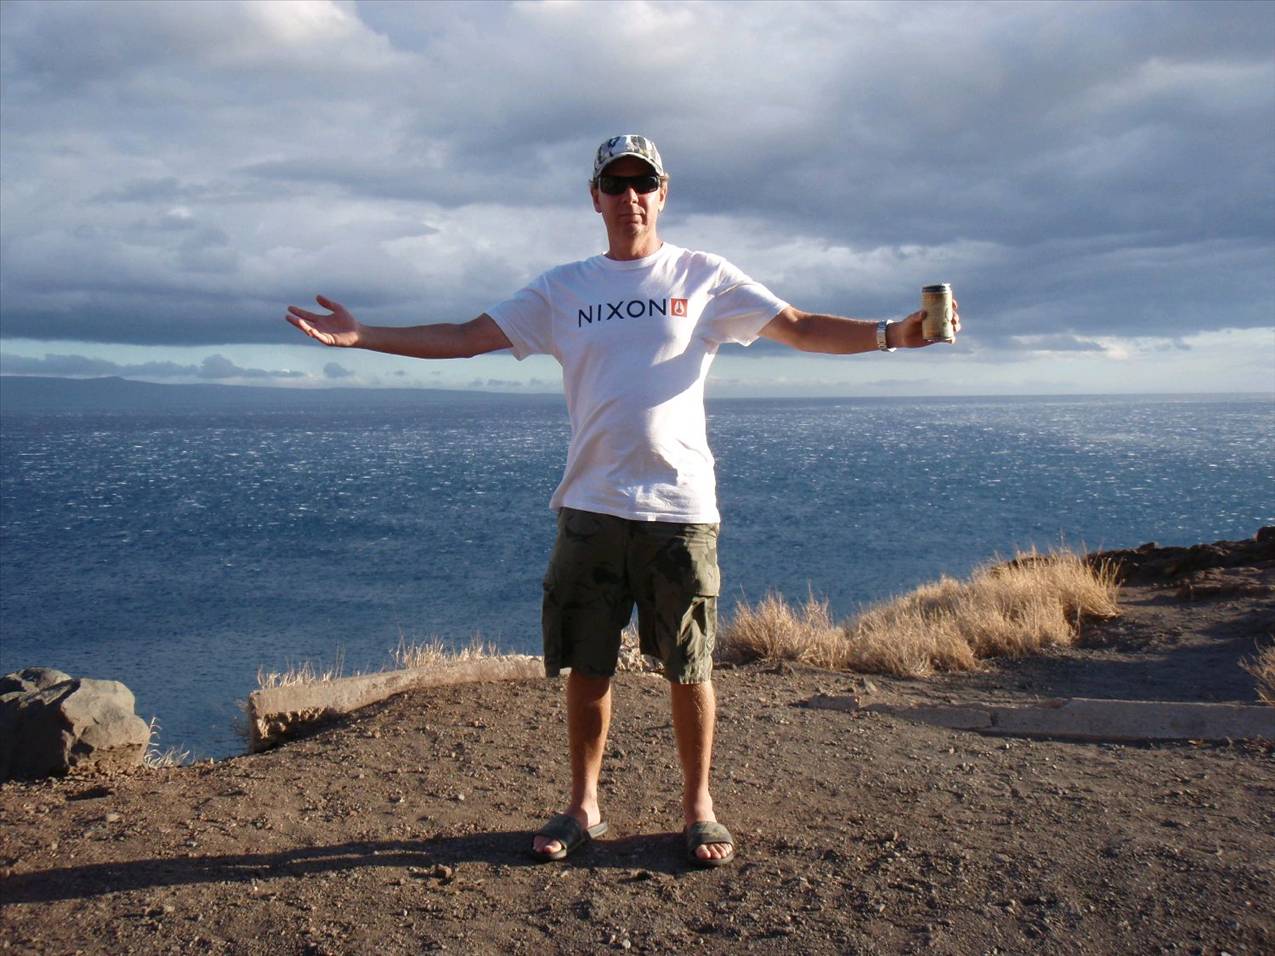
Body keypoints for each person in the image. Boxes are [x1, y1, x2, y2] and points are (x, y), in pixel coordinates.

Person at [285, 134, 960, 868]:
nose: (630, 196)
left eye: (643, 183)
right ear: (595, 197)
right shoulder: (562, 289)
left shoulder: (703, 276)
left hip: (680, 507)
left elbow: (797, 327)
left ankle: (698, 809)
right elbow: (466, 336)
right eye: (616, 183)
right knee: (588, 664)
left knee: (690, 666)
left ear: (662, 193)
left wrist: (892, 334)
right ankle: (584, 805)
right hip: (592, 503)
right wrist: (364, 336)